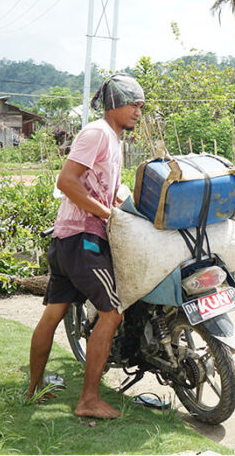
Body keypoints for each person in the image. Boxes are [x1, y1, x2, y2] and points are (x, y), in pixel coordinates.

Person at [26, 73, 144, 419]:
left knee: (53, 313)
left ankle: (34, 389)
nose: (139, 110)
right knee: (112, 312)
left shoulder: (112, 138)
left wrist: (123, 202)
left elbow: (103, 183)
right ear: (114, 104)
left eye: (141, 104)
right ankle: (88, 400)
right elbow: (66, 181)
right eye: (133, 104)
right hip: (83, 240)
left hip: (67, 238)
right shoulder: (97, 133)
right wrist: (106, 213)